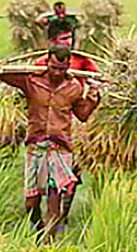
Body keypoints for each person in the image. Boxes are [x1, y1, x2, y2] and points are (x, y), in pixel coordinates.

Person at [0, 44, 101, 245]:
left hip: (60, 149)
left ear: (68, 67)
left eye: (61, 69)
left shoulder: (74, 88)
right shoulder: (32, 81)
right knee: (31, 204)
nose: (56, 73)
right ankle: (41, 233)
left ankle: (46, 245)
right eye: (53, 67)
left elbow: (82, 114)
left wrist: (94, 95)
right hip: (35, 147)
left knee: (54, 203)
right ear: (47, 62)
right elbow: (4, 75)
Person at [33, 18, 101, 221]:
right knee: (45, 180)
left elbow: (97, 78)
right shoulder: (40, 64)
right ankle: (44, 218)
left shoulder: (82, 61)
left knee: (72, 175)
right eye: (63, 39)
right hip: (49, 128)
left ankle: (61, 217)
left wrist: (94, 87)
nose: (68, 43)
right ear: (52, 42)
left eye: (70, 38)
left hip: (75, 125)